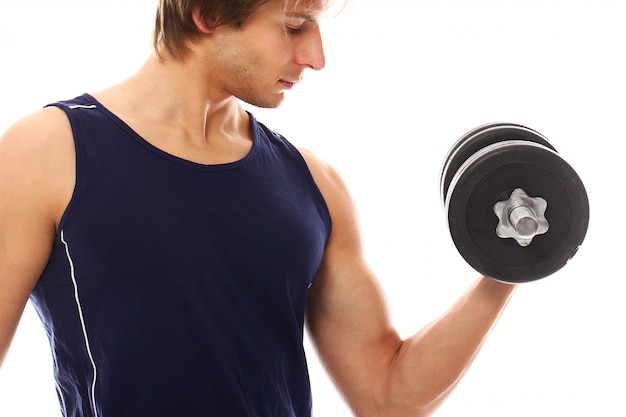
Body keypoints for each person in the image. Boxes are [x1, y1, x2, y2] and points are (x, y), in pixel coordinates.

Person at [0, 0, 516, 416]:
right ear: (206, 13)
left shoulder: (312, 182)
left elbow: (388, 399)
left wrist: (507, 265)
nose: (316, 56)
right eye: (295, 26)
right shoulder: (48, 152)